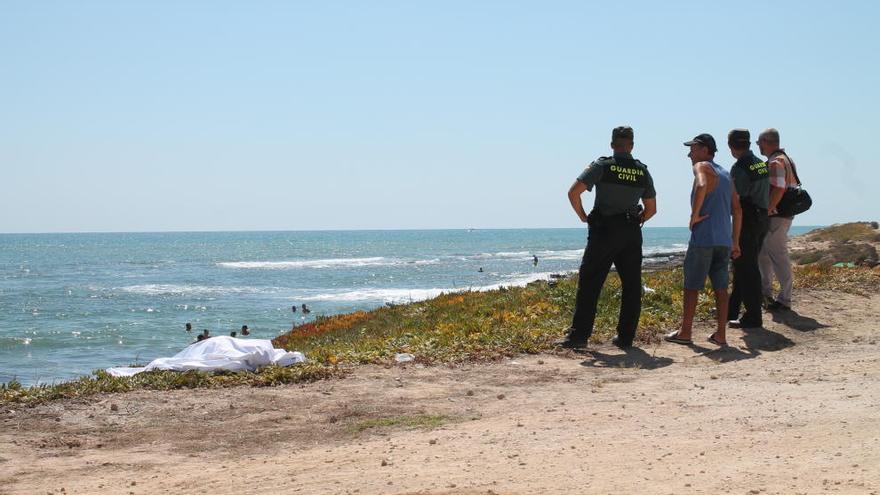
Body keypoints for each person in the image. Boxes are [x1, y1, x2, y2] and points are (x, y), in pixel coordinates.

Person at [557, 126, 657, 350]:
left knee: (590, 283)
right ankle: (625, 338)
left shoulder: (603, 166)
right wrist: (637, 219)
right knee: (631, 285)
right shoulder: (642, 171)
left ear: (612, 145)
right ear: (631, 145)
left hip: (604, 230)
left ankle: (579, 337)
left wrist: (584, 216)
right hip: (631, 232)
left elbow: (573, 192)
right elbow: (651, 209)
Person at [665, 134, 741, 347]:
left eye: (694, 148)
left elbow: (701, 185)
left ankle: (686, 332)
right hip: (724, 240)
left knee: (691, 286)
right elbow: (738, 209)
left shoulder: (702, 166)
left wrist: (694, 215)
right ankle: (721, 335)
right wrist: (735, 241)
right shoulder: (726, 174)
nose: (690, 153)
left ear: (706, 149)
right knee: (721, 288)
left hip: (704, 238)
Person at [726, 129, 770, 328]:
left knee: (747, 268)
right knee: (744, 266)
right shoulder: (760, 164)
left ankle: (753, 316)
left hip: (748, 219)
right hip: (762, 217)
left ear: (730, 146)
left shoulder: (740, 168)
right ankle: (732, 311)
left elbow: (737, 200)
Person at [757, 128, 797, 311]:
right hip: (785, 214)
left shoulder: (775, 162)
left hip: (776, 216)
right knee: (765, 254)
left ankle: (784, 299)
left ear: (766, 141)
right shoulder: (787, 159)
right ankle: (766, 294)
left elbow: (779, 188)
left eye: (759, 143)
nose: (758, 147)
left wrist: (768, 209)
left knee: (778, 256)